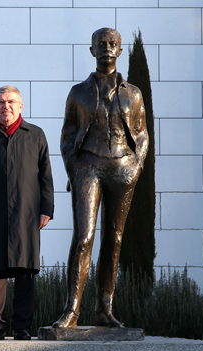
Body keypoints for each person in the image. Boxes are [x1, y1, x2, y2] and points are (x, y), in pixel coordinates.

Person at [54, 27, 149, 329]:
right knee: (84, 237)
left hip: (122, 167)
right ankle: (72, 310)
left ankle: (104, 310)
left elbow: (143, 133)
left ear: (119, 51)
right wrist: (74, 167)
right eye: (101, 44)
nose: (107, 48)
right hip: (89, 166)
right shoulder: (78, 92)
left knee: (115, 239)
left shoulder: (133, 93)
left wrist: (137, 164)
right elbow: (67, 135)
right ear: (92, 50)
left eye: (113, 44)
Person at [0, 86, 54, 341]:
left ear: (21, 106)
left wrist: (46, 209)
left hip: (27, 214)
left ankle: (22, 327)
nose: (6, 106)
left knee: (25, 271)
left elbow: (46, 176)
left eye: (11, 102)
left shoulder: (35, 135)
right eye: (0, 102)